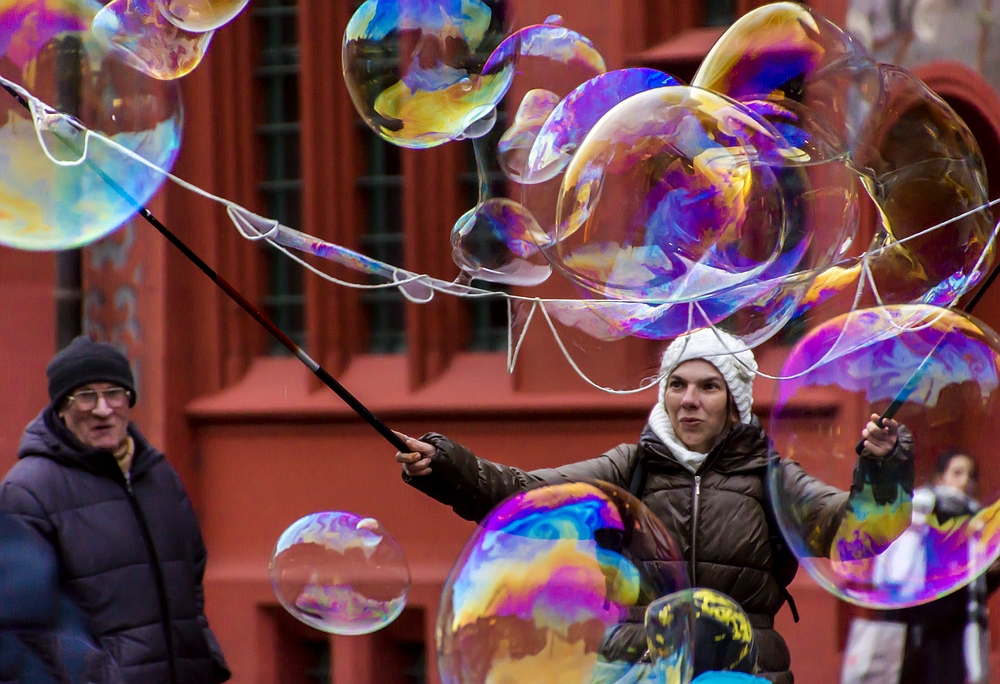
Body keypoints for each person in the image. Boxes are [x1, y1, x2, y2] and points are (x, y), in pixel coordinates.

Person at [394, 328, 912, 684]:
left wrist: (883, 471)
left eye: (709, 387)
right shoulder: (629, 467)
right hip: (636, 671)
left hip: (742, 673)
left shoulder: (770, 477)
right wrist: (445, 465)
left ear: (735, 402)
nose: (690, 399)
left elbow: (857, 532)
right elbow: (526, 496)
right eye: (677, 385)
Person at [0, 336, 230, 684]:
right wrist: (97, 675)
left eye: (114, 393)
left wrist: (203, 650)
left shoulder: (157, 474)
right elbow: (23, 614)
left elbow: (191, 572)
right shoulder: (28, 490)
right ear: (62, 408)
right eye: (86, 396)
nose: (103, 409)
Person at [876, 450, 999, 684]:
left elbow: (972, 585)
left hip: (953, 631)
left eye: (971, 476)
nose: (965, 481)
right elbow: (897, 570)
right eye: (957, 473)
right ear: (940, 477)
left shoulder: (976, 522)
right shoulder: (919, 511)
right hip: (912, 626)